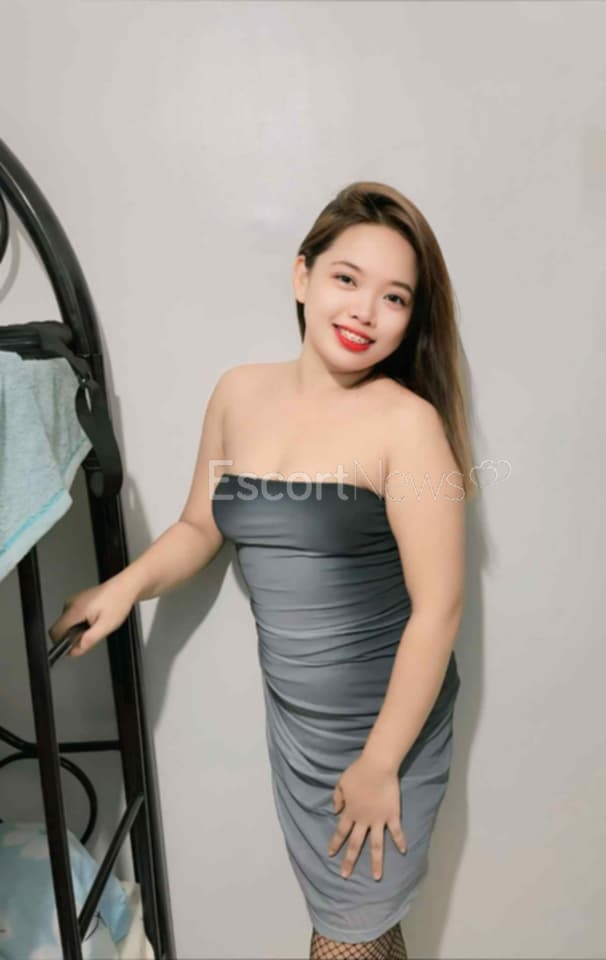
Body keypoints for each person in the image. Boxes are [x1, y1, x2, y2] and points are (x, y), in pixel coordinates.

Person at [49, 181, 476, 959]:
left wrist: (381, 761)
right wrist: (123, 588)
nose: (364, 311)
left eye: (394, 297)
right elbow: (200, 525)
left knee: (347, 933)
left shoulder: (408, 425)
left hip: (391, 730)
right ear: (302, 276)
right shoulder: (238, 393)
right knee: (362, 927)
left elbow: (439, 608)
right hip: (299, 727)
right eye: (346, 278)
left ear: (412, 317)